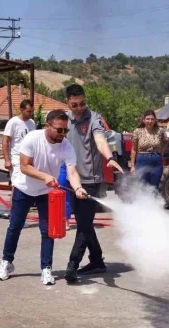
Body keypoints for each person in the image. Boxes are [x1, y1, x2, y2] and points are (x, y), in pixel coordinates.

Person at [0, 109, 88, 285]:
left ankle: (46, 269)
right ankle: (6, 262)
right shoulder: (32, 138)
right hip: (24, 188)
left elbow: (72, 170)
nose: (62, 134)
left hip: (45, 193)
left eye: (65, 130)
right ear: (48, 126)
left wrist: (77, 187)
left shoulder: (66, 146)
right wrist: (45, 177)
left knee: (47, 231)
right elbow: (24, 167)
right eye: (59, 130)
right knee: (15, 226)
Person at [63, 84, 124, 283]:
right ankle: (97, 260)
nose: (79, 108)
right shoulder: (64, 119)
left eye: (82, 103)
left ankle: (72, 265)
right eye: (75, 104)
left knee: (83, 226)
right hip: (72, 179)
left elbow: (100, 141)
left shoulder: (93, 119)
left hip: (90, 180)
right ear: (68, 102)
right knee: (84, 222)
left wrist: (109, 158)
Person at [130, 110, 167, 189]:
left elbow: (166, 142)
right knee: (141, 186)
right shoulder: (137, 132)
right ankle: (141, 201)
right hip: (142, 161)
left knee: (154, 187)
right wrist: (132, 166)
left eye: (152, 119)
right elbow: (133, 150)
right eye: (147, 119)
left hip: (156, 162)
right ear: (143, 120)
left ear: (155, 120)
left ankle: (153, 201)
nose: (150, 121)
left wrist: (161, 154)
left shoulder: (160, 131)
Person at [2, 99, 36, 173]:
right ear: (22, 110)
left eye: (32, 111)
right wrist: (7, 160)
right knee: (18, 183)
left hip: (29, 159)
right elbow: (5, 141)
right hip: (16, 159)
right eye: (29, 111)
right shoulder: (13, 122)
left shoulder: (32, 123)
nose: (31, 114)